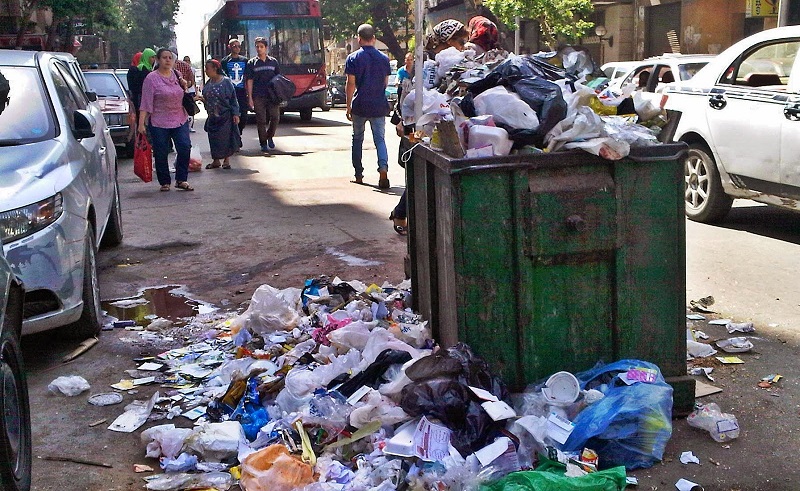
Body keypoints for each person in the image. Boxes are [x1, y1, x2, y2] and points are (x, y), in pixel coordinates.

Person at [138, 48, 194, 192]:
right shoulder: (151, 78)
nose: (168, 60)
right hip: (159, 121)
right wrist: (141, 124)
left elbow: (184, 93)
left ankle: (181, 179)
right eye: (164, 57)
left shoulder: (177, 74)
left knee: (185, 146)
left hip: (179, 118)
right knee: (161, 151)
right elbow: (145, 102)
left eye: (170, 57)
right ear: (158, 60)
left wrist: (185, 85)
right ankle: (164, 182)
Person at [345, 24, 392, 188]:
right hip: (378, 105)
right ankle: (383, 169)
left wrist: (348, 106)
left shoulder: (353, 58)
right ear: (374, 38)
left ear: (359, 39)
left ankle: (358, 174)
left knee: (357, 139)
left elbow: (351, 83)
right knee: (380, 139)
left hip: (360, 105)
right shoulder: (384, 59)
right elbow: (385, 83)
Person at [199, 59, 241, 169]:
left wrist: (236, 114)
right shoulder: (208, 84)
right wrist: (203, 100)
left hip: (225, 116)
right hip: (212, 116)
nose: (206, 71)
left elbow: (233, 99)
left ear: (215, 69)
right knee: (213, 139)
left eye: (207, 68)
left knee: (225, 139)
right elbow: (207, 99)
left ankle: (226, 160)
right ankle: (216, 160)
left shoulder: (226, 82)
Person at [245, 36, 281, 154]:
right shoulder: (252, 63)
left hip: (272, 96)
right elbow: (249, 81)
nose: (259, 49)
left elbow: (279, 79)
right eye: (257, 47)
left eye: (261, 47)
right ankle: (263, 143)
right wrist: (250, 97)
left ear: (266, 48)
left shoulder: (273, 62)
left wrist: (280, 94)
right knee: (261, 120)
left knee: (275, 117)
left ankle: (269, 136)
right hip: (258, 95)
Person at [220, 37, 249, 135]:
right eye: (234, 46)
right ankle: (234, 135)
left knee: (243, 115)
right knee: (231, 115)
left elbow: (248, 77)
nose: (237, 48)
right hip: (230, 93)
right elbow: (222, 77)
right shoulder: (225, 61)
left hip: (241, 92)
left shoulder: (245, 60)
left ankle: (239, 132)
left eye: (239, 46)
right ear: (229, 47)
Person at [128, 48, 156, 115]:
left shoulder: (149, 68)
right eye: (152, 57)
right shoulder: (142, 68)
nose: (154, 59)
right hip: (142, 97)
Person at [183, 55, 198, 132]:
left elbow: (193, 80)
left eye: (188, 60)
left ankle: (191, 125)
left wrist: (196, 90)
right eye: (185, 60)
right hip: (184, 91)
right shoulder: (181, 68)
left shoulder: (192, 69)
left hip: (191, 90)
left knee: (192, 108)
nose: (187, 62)